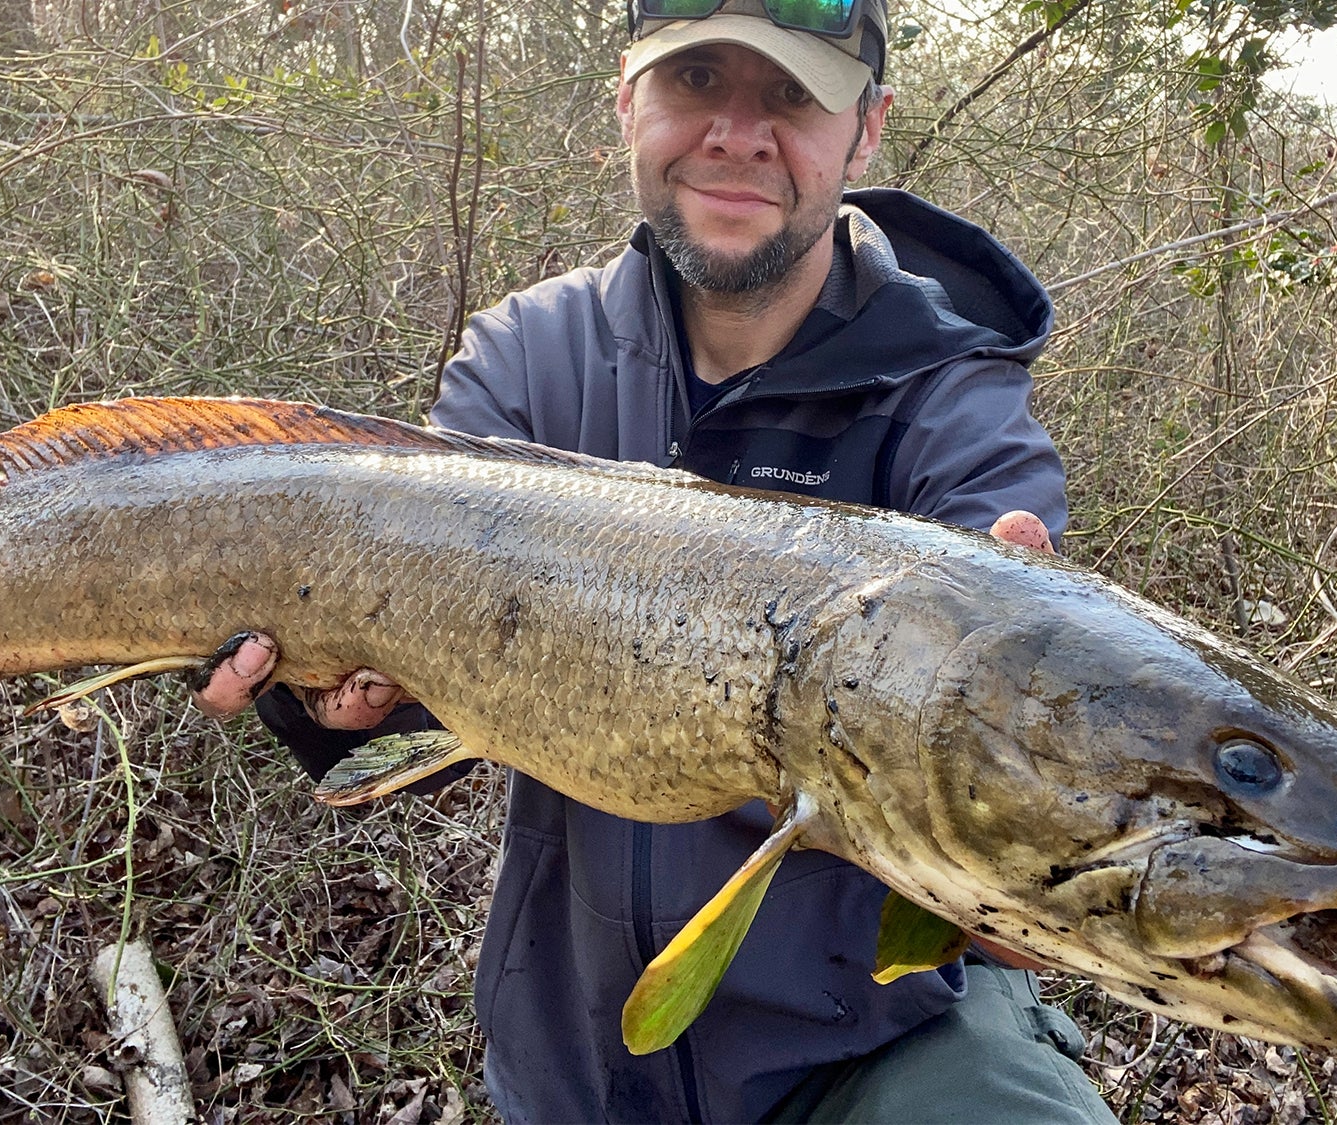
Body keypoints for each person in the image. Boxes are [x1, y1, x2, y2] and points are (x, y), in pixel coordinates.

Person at [196, 0, 1119, 1119]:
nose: (736, 133)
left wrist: (1025, 861)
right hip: (576, 1061)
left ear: (865, 131)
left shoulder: (953, 403)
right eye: (694, 86)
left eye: (790, 95)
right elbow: (402, 697)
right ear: (628, 104)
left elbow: (1010, 701)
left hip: (878, 1047)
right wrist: (324, 698)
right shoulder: (525, 360)